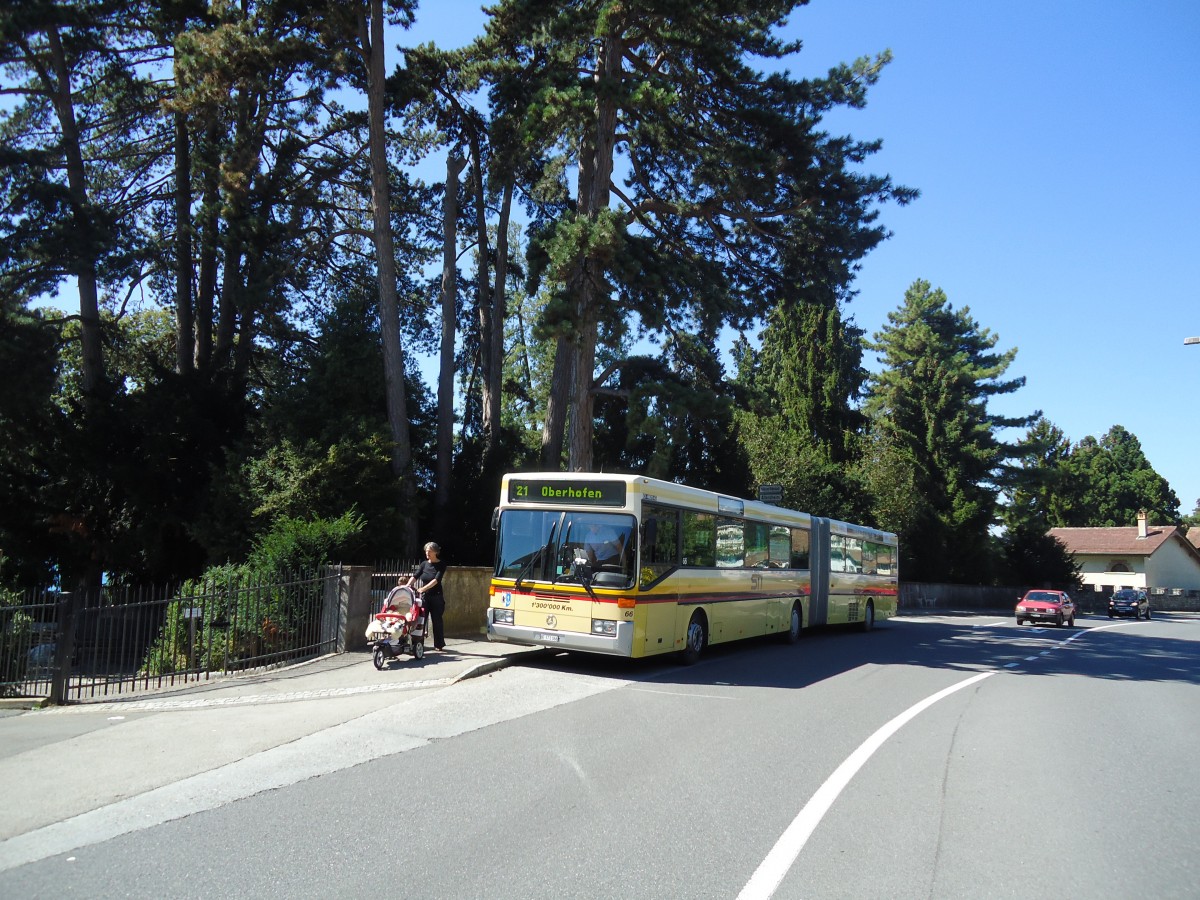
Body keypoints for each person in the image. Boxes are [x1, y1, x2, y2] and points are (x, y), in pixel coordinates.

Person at [407, 542, 447, 651]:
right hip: (425, 597)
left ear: (435, 552)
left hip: (436, 597)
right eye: (426, 551)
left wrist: (423, 589)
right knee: (420, 620)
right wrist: (407, 585)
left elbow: (436, 580)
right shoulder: (424, 564)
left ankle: (439, 645)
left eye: (429, 551)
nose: (427, 553)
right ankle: (418, 644)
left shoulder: (441, 565)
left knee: (437, 620)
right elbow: (415, 576)